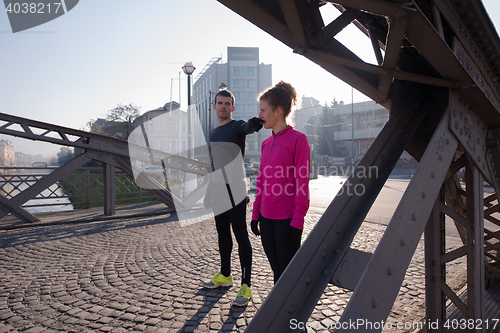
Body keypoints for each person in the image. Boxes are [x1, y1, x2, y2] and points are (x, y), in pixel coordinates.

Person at [202, 89, 264, 307]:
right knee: (222, 234)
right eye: (220, 103)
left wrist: (254, 124)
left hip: (235, 191)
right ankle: (225, 274)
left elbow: (246, 127)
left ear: (232, 107)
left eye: (227, 103)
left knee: (240, 235)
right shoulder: (212, 133)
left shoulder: (236, 126)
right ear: (214, 106)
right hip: (218, 190)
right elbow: (213, 164)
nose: (223, 106)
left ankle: (246, 284)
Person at [250, 81, 310, 283]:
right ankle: (280, 312)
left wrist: (298, 221)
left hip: (287, 220)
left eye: (263, 110)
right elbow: (262, 180)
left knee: (288, 275)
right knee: (277, 272)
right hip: (267, 219)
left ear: (278, 111)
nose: (259, 116)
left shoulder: (298, 139)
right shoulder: (266, 143)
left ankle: (291, 312)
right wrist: (255, 213)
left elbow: (302, 182)